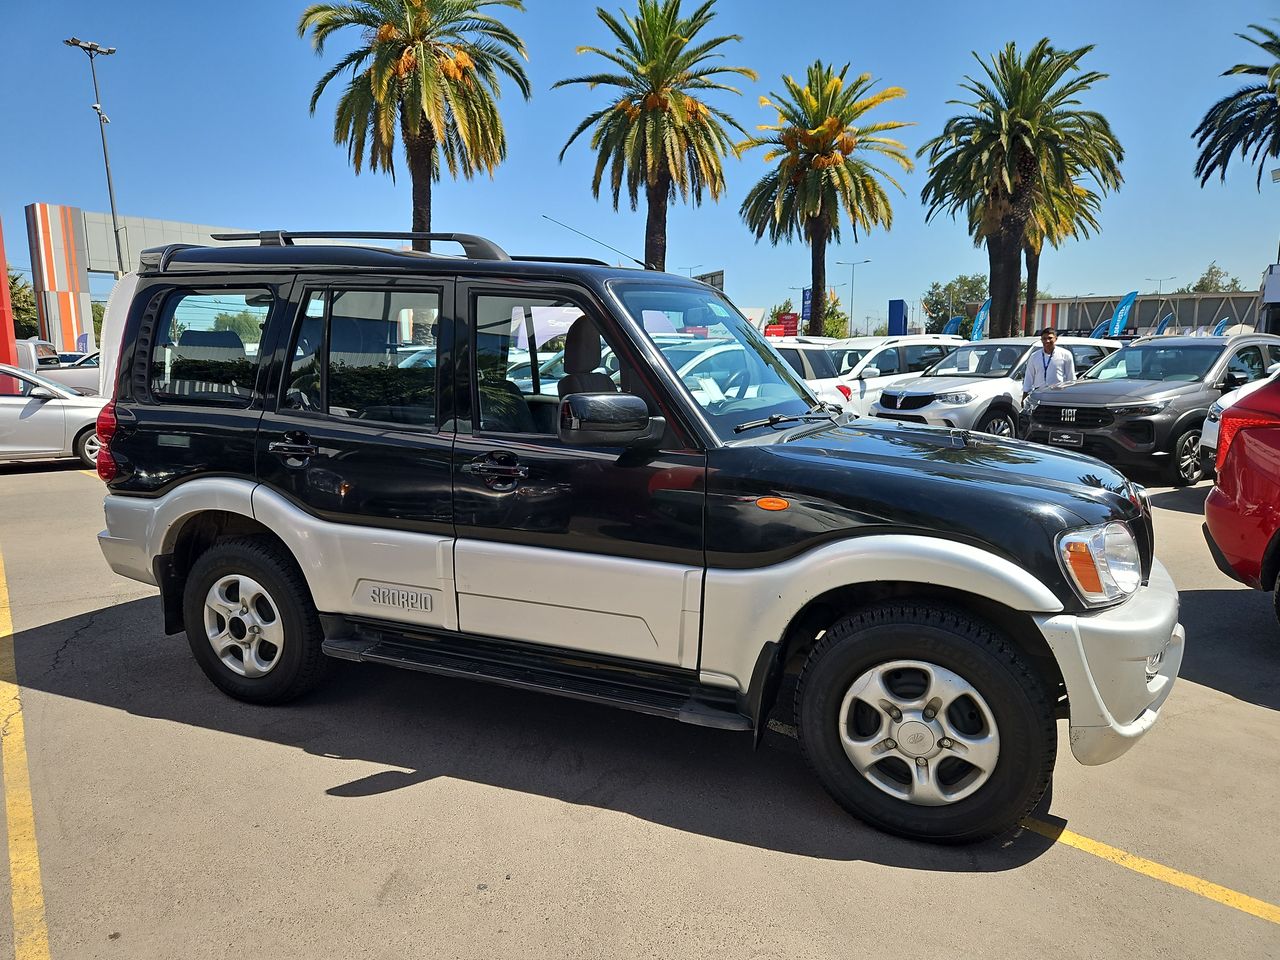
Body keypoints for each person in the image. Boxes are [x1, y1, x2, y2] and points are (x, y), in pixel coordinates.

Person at [1022, 328, 1075, 392]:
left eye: (1050, 338)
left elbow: (1071, 377)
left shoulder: (1065, 354)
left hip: (1058, 393)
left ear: (1056, 339)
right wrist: (1025, 393)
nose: (1047, 341)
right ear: (1041, 340)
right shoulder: (1034, 356)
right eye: (1044, 338)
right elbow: (1029, 377)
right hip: (1039, 392)